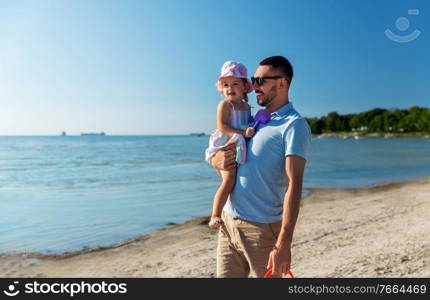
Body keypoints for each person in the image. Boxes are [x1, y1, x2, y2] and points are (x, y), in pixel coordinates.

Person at [210, 56, 311, 278]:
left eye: (261, 80)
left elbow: (294, 185)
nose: (253, 86)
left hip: (260, 230)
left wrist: (283, 244)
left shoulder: (293, 125)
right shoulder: (253, 119)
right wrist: (214, 161)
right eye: (253, 79)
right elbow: (224, 150)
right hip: (228, 223)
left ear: (282, 83)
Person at [205, 61, 255, 230]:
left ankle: (234, 210)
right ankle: (215, 215)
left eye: (235, 83)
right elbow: (223, 127)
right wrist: (243, 133)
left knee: (237, 179)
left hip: (238, 143)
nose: (229, 88)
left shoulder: (247, 107)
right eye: (225, 84)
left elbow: (248, 126)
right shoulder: (225, 105)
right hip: (225, 144)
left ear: (245, 86)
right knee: (228, 180)